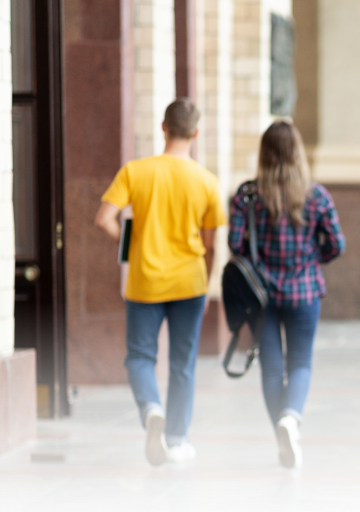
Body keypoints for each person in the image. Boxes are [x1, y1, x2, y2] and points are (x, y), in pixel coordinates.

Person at [94, 99, 225, 466]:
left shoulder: (135, 172)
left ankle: (152, 408)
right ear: (195, 133)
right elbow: (212, 243)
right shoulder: (207, 181)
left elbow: (103, 219)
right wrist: (206, 275)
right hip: (190, 281)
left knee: (140, 356)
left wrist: (129, 240)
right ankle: (178, 440)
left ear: (163, 128)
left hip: (144, 280)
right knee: (183, 363)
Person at [228, 120, 345, 469]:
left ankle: (283, 430)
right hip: (305, 291)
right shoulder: (316, 195)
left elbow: (236, 245)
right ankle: (290, 420)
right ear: (297, 151)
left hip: (261, 295)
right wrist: (312, 260)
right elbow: (336, 244)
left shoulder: (247, 195)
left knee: (271, 366)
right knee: (300, 363)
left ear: (264, 153)